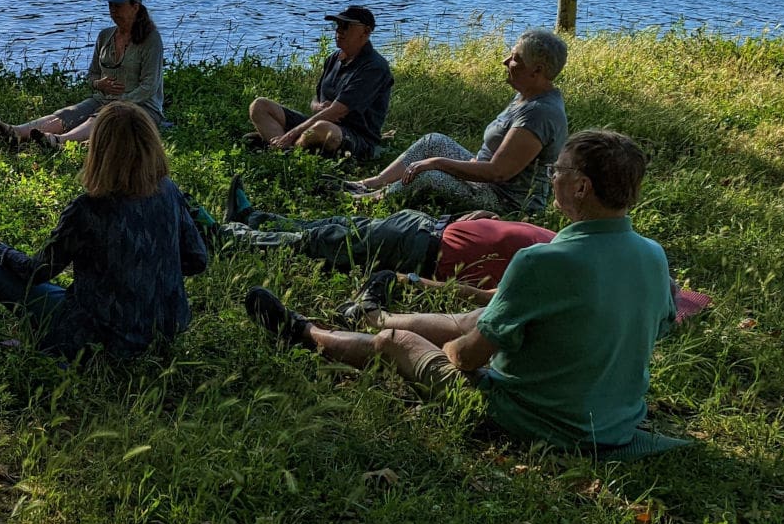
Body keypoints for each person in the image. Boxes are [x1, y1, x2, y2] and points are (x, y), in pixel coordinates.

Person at [245, 130, 678, 452]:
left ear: (581, 187)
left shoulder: (543, 262)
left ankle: (306, 334)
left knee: (397, 343)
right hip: (613, 417)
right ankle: (370, 314)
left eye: (557, 171)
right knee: (476, 320)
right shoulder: (653, 256)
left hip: (543, 420)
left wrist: (452, 351)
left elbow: (470, 357)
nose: (552, 179)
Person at [0, 101, 208, 359]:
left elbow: (38, 271)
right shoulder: (169, 190)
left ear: (99, 151)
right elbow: (197, 260)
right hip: (168, 327)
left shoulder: (88, 209)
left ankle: (53, 341)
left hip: (102, 337)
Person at [347, 28, 569, 215]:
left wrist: (438, 163)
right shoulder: (526, 94)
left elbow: (498, 172)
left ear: (537, 70)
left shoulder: (539, 113)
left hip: (504, 203)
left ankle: (368, 202)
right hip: (484, 182)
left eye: (515, 59)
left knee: (430, 175)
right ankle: (371, 184)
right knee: (433, 141)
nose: (505, 61)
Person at [208, 173, 555, 291]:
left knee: (321, 242)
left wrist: (418, 284)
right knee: (337, 226)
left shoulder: (560, 272)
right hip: (429, 224)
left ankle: (227, 238)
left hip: (422, 249)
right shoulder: (569, 243)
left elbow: (492, 300)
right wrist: (484, 219)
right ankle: (252, 218)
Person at [0, 0, 164, 148]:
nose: (113, 10)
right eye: (110, 6)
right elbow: (92, 74)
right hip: (103, 99)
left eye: (118, 6)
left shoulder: (151, 40)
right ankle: (15, 133)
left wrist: (121, 101)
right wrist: (98, 84)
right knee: (65, 115)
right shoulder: (105, 36)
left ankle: (59, 142)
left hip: (142, 107)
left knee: (101, 117)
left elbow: (149, 86)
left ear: (135, 7)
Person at [245, 5, 393, 158]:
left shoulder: (374, 67)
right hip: (316, 124)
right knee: (259, 105)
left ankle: (283, 147)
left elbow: (338, 111)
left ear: (366, 32)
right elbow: (316, 99)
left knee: (323, 129)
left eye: (346, 26)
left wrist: (290, 134)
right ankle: (285, 149)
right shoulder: (334, 59)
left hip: (354, 136)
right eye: (337, 25)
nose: (339, 31)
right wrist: (318, 106)